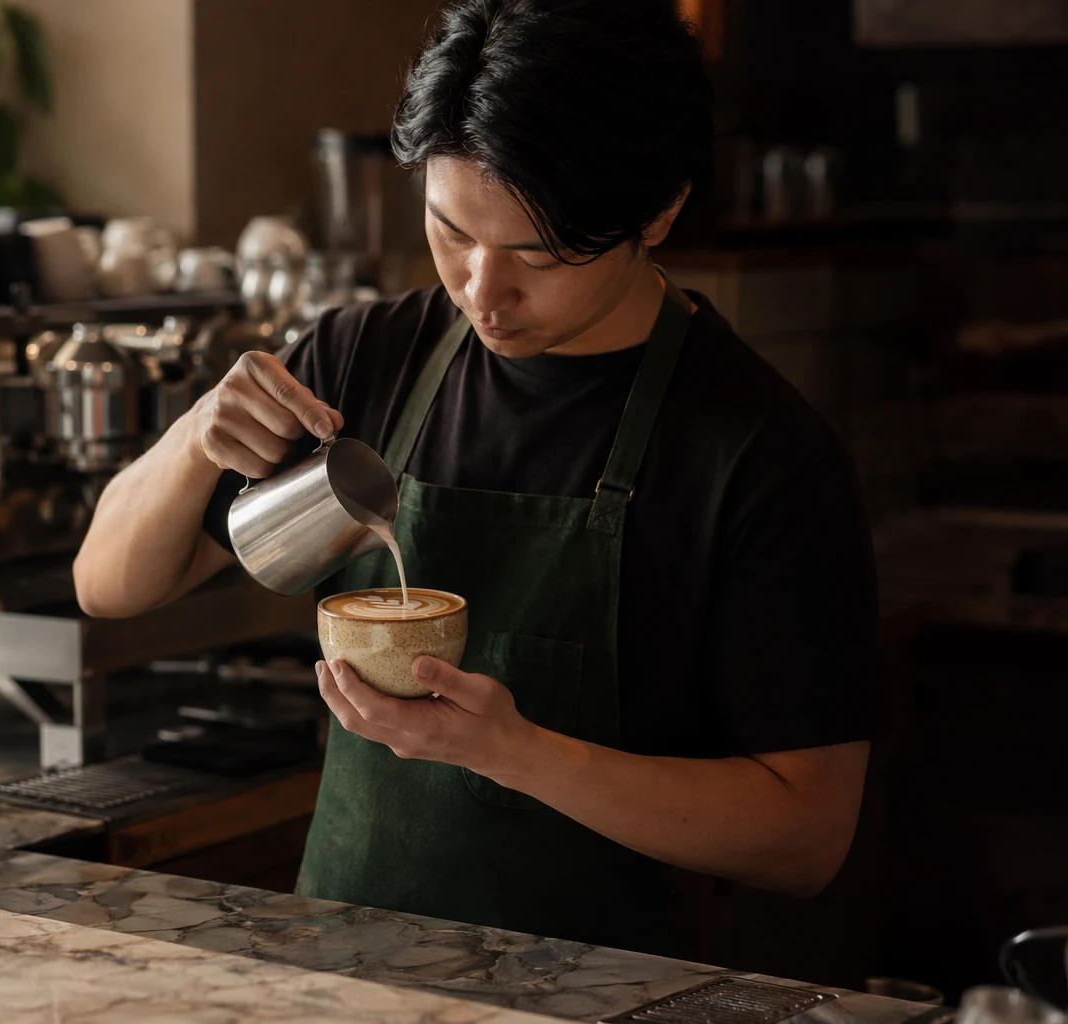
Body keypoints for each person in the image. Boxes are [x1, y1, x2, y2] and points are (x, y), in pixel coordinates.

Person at [73, 0, 882, 956]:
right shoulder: (362, 360)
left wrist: (516, 754)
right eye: (451, 231)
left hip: (605, 997)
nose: (482, 292)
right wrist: (197, 434)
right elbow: (110, 585)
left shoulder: (759, 455)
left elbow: (805, 838)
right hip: (341, 975)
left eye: (537, 256)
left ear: (659, 209)